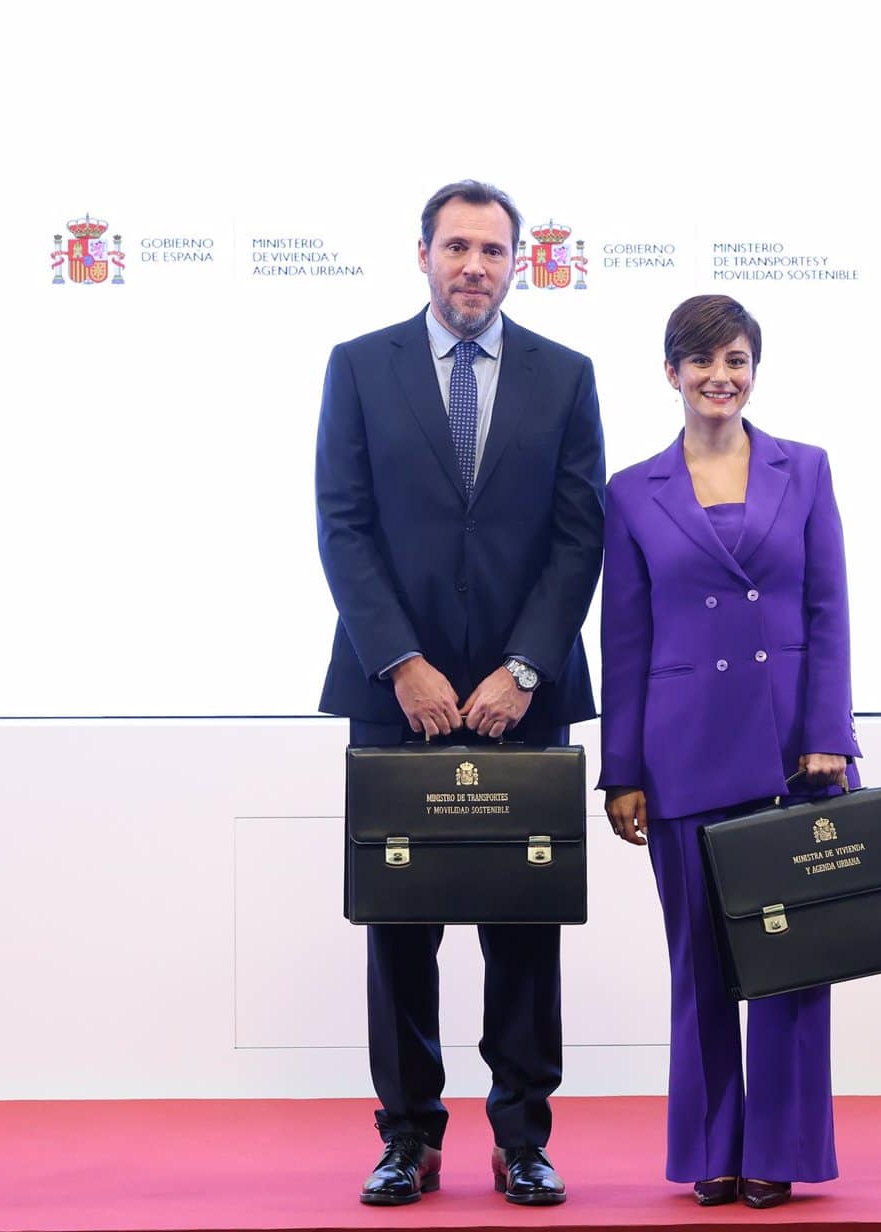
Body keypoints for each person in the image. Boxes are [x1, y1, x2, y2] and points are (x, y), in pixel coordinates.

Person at [315, 180, 605, 1207]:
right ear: (423, 255)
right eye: (456, 247)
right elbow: (341, 525)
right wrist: (401, 661)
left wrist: (524, 667)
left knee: (524, 924)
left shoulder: (566, 377)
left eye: (492, 249)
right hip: (397, 694)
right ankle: (409, 1136)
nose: (474, 265)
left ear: (519, 261)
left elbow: (580, 538)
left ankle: (523, 1135)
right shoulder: (359, 367)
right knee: (401, 927)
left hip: (522, 698)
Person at [597, 295, 861, 1209]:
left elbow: (828, 613)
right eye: (702, 361)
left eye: (738, 360)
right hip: (682, 756)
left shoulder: (808, 469)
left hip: (796, 753)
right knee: (699, 963)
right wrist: (621, 770)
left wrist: (830, 735)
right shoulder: (632, 491)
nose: (722, 377)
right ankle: (713, 1149)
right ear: (670, 372)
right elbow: (622, 640)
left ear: (755, 371)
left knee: (794, 962)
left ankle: (777, 1151)